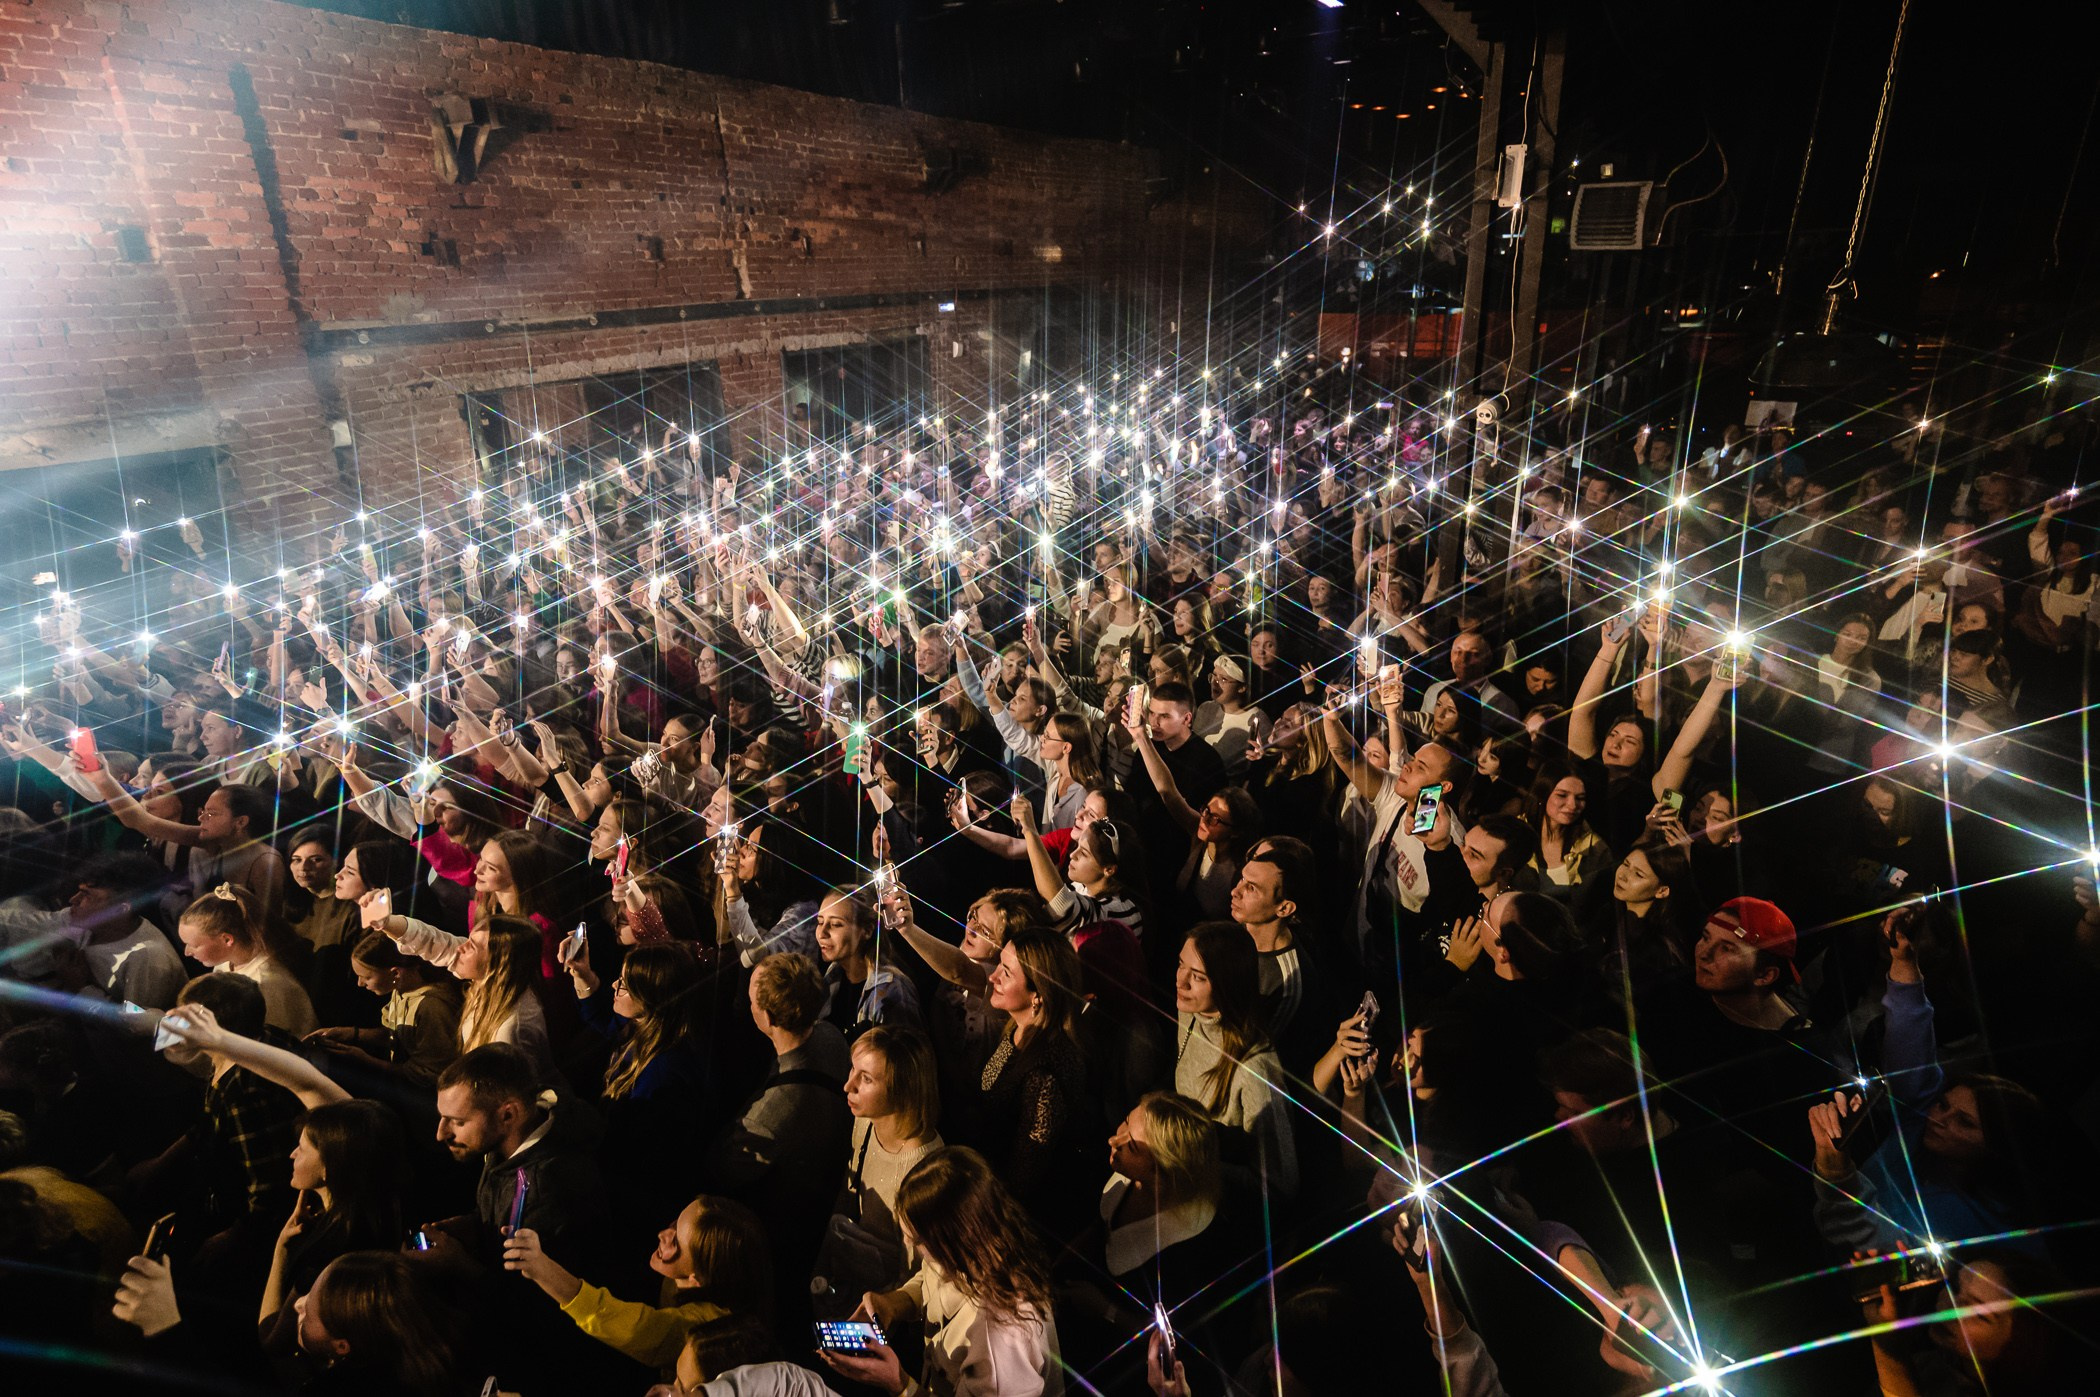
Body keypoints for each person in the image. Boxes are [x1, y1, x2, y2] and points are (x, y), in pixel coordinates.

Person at [821, 1146, 1064, 1397]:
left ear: (955, 1238)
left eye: (916, 1240)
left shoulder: (1000, 1341)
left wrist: (899, 1384)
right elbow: (929, 1278)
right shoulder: (968, 1250)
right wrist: (893, 1304)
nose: (907, 1244)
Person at [703, 951, 852, 1331]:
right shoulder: (832, 1037)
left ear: (768, 1018)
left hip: (786, 1234)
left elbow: (724, 1170)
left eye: (752, 999)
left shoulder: (770, 1116)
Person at [561, 937, 715, 1251]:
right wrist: (582, 973)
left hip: (637, 1205)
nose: (614, 986)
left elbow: (635, 1157)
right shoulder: (651, 1027)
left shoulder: (664, 1075)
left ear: (650, 997)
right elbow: (605, 1020)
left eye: (625, 985)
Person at [502, 1194, 772, 1373]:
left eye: (676, 1241)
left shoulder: (701, 1330)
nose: (663, 1234)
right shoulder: (705, 1280)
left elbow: (631, 1327)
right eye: (674, 1223)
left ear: (697, 1278)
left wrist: (541, 1268)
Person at [258, 1099, 407, 1355]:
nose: (292, 1154)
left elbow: (271, 1340)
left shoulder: (326, 1254)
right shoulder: (383, 1214)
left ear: (330, 1167)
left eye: (302, 1149)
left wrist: (281, 1250)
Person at [817, 1025, 944, 1310]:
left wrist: (885, 1309)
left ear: (902, 1089)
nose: (848, 1086)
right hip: (854, 1270)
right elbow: (848, 1192)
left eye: (866, 1079)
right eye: (853, 1070)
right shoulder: (865, 1121)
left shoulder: (923, 1167)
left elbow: (918, 1275)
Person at [977, 928, 1096, 1232]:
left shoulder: (1045, 1076)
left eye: (1006, 973)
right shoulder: (1019, 1029)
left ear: (1038, 995)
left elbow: (1024, 1175)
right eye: (999, 965)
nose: (993, 978)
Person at [362, 894, 553, 1079]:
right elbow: (433, 941)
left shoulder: (511, 1028)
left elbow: (503, 1091)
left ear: (499, 963)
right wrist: (386, 922)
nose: (460, 948)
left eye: (472, 946)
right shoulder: (493, 983)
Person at [1172, 924, 1296, 1197]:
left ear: (1228, 983)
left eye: (1198, 977)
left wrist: (1196, 1167)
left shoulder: (1255, 1071)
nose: (1181, 982)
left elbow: (1281, 1184)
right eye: (1181, 965)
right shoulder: (1191, 1012)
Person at [306, 931, 463, 1089]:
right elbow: (396, 1035)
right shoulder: (400, 991)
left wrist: (366, 1060)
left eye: (367, 977)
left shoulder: (432, 1007)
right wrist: (352, 1034)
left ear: (395, 973)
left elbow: (431, 1073)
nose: (360, 983)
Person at [176, 883, 317, 1039]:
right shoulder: (226, 963)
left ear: (227, 939)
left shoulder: (265, 984)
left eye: (194, 945)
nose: (187, 952)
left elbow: (268, 1044)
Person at [812, 886, 920, 1036]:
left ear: (867, 930)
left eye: (836, 924)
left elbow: (906, 1049)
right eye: (820, 922)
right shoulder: (834, 973)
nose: (822, 933)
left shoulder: (893, 990)